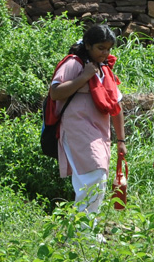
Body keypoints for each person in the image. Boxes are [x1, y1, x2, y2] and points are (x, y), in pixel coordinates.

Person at [48, 23, 125, 215]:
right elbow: (55, 93)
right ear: (88, 45)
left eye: (108, 49)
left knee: (96, 178)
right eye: (101, 48)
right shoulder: (74, 64)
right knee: (94, 176)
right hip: (77, 130)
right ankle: (85, 230)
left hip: (100, 133)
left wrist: (121, 140)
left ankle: (85, 229)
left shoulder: (105, 69)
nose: (105, 53)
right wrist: (84, 77)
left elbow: (116, 105)